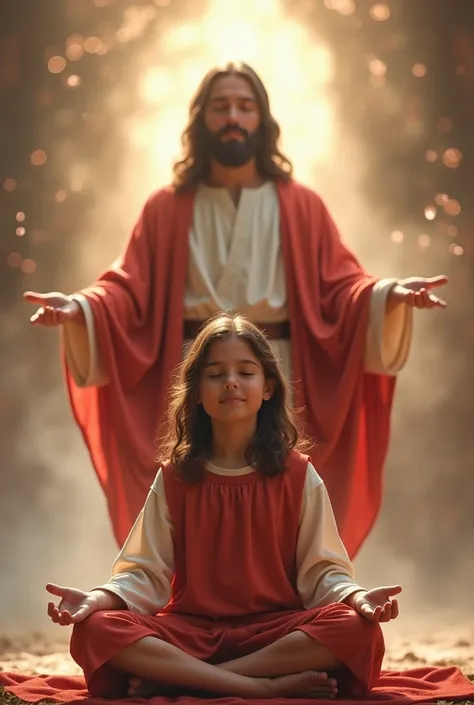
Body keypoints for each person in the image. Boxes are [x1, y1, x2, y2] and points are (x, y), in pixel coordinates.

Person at [24, 61, 448, 556]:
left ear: (262, 121)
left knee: (275, 472)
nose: (233, 117)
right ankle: (196, 594)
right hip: (191, 366)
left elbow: (341, 286)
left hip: (275, 366)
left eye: (245, 107)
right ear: (201, 119)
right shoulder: (166, 207)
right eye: (221, 106)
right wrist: (80, 308)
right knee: (194, 474)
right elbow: (127, 289)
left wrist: (388, 295)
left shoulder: (301, 205)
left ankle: (278, 594)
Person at [46, 313, 401, 701]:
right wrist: (95, 599)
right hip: (191, 632)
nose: (231, 381)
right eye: (215, 374)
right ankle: (255, 686)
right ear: (196, 391)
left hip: (276, 634)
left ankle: (186, 679)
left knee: (356, 628)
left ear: (268, 387)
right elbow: (144, 574)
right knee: (95, 629)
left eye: (245, 372)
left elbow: (323, 572)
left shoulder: (299, 474)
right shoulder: (175, 476)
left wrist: (356, 597)